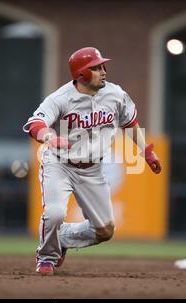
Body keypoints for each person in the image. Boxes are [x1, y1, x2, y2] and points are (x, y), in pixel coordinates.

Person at [22, 47, 162, 275]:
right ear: (81, 74)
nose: (103, 71)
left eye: (103, 66)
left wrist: (146, 151)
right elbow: (34, 124)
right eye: (96, 68)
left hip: (93, 169)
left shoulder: (115, 94)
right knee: (55, 214)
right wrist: (50, 136)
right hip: (60, 165)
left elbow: (130, 123)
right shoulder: (61, 98)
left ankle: (63, 238)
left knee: (105, 231)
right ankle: (47, 256)